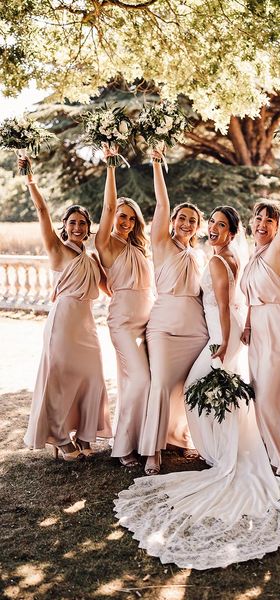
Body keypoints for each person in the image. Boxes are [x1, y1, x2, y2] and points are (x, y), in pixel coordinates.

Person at [114, 205, 280, 570]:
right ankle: (223, 446)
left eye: (219, 225)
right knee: (222, 391)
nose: (212, 228)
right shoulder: (223, 256)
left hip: (219, 333)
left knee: (205, 386)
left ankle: (225, 449)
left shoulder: (216, 261)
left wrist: (224, 342)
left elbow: (226, 304)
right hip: (220, 329)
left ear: (231, 232)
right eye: (210, 223)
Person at [22, 157, 111, 460]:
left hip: (86, 322)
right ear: (64, 226)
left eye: (82, 223)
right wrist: (30, 180)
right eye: (71, 222)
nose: (76, 226)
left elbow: (109, 289)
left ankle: (86, 434)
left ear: (88, 229)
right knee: (60, 378)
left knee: (93, 375)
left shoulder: (92, 258)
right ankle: (60, 437)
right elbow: (42, 210)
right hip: (63, 320)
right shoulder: (57, 249)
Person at [139, 150, 208, 475]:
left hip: (196, 329)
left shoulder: (198, 253)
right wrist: (157, 164)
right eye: (182, 218)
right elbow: (162, 204)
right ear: (172, 221)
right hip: (164, 326)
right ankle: (152, 450)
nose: (186, 223)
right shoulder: (161, 244)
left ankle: (179, 437)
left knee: (186, 386)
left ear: (197, 228)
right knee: (162, 384)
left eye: (192, 221)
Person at [240, 157, 280, 474]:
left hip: (279, 326)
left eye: (269, 220)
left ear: (277, 228)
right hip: (258, 331)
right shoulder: (253, 256)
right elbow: (251, 296)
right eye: (258, 218)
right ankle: (273, 449)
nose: (262, 224)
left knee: (268, 395)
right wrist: (248, 324)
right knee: (263, 393)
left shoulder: (279, 250)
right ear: (250, 222)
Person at [95, 146, 154, 467]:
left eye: (132, 218)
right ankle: (123, 447)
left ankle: (145, 440)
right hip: (122, 323)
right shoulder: (105, 243)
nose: (127, 222)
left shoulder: (138, 247)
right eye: (122, 216)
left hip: (148, 323)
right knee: (141, 381)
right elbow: (106, 206)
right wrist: (111, 167)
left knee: (140, 382)